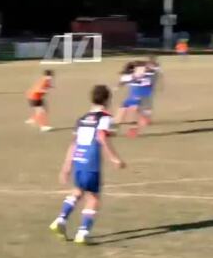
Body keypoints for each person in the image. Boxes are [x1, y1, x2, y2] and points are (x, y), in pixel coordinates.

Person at [49, 85, 125, 244]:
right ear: (107, 100)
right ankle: (83, 232)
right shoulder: (105, 118)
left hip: (78, 159)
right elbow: (101, 137)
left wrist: (66, 166)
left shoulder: (82, 119)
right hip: (91, 161)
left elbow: (74, 143)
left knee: (78, 190)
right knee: (93, 198)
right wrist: (114, 158)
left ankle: (60, 219)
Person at [114, 61, 152, 137]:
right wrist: (118, 86)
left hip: (138, 99)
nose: (143, 71)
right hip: (130, 98)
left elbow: (147, 89)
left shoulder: (145, 79)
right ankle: (113, 130)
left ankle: (133, 130)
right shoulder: (128, 76)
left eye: (144, 69)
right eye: (141, 69)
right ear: (135, 69)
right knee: (120, 113)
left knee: (132, 112)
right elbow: (123, 81)